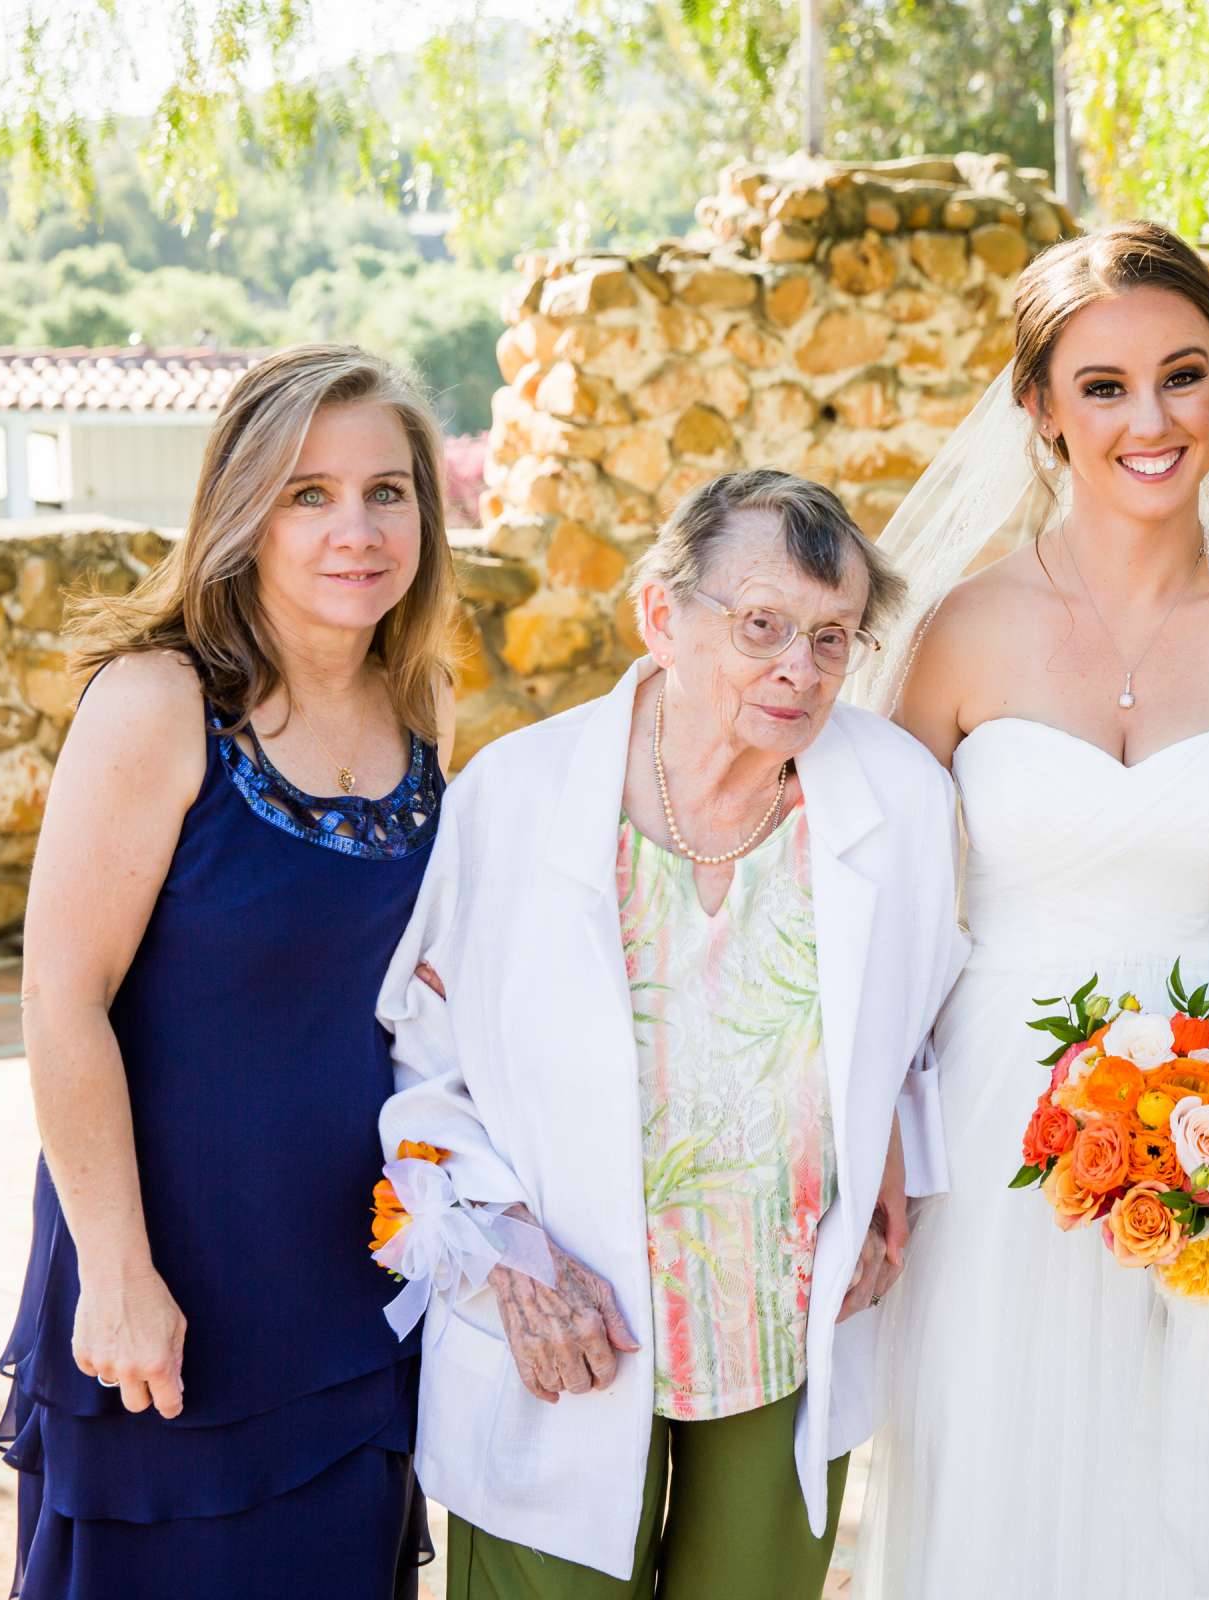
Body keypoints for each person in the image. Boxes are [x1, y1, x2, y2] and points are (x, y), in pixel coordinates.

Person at [849, 221, 1209, 1600]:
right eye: (1103, 385)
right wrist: (879, 1140)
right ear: (1037, 408)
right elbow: (891, 914)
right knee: (1000, 1507)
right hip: (994, 1147)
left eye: (1184, 376)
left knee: (1206, 1512)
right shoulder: (959, 631)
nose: (1151, 420)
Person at [375, 469, 967, 1600]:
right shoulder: (519, 796)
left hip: (788, 1317)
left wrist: (898, 1155)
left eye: (833, 638)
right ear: (662, 615)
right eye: (761, 626)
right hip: (564, 1319)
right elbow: (425, 1063)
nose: (798, 668)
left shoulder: (898, 802)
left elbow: (932, 1028)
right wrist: (509, 1255)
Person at [0, 344, 457, 1599]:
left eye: (387, 490)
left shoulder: (423, 713)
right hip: (175, 1274)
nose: (354, 529)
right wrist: (118, 1271)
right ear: (243, 510)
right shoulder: (160, 702)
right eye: (308, 493)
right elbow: (62, 997)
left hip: (349, 1288)